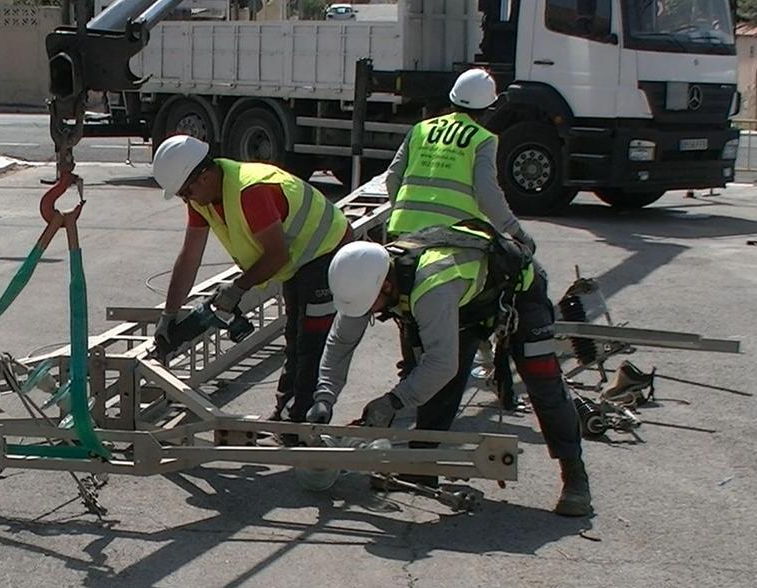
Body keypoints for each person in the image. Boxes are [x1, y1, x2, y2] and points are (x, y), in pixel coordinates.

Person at [306, 222, 593, 517]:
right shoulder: (366, 280)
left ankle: (575, 477)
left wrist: (393, 402)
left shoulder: (430, 288)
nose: (368, 312)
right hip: (465, 306)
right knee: (430, 383)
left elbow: (442, 363)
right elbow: (341, 341)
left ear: (387, 286)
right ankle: (420, 469)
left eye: (371, 306)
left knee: (542, 381)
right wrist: (324, 397)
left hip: (517, 294)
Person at [151, 135, 352, 424]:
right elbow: (189, 257)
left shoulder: (249, 191)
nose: (186, 199)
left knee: (310, 341)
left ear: (205, 177)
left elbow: (276, 257)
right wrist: (169, 313)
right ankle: (287, 416)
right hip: (298, 260)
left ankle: (300, 425)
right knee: (295, 339)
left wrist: (237, 289)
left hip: (327, 251)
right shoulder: (202, 199)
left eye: (186, 192)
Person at [385, 67, 535, 254]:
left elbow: (392, 177)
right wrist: (516, 232)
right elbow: (487, 194)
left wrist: (401, 212)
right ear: (487, 107)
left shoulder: (421, 129)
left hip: (404, 231)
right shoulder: (482, 139)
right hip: (453, 238)